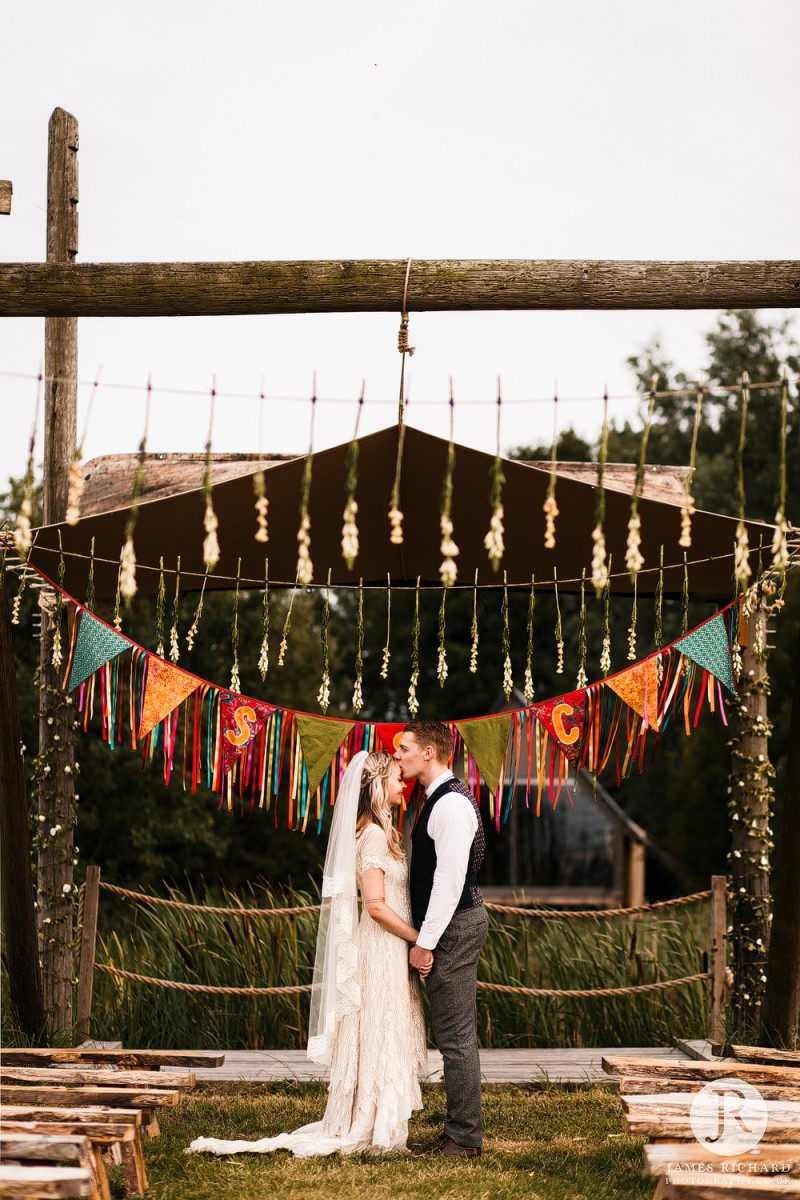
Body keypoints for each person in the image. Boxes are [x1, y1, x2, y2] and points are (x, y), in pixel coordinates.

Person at [187, 750, 428, 1158]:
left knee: (384, 1028)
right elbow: (375, 905)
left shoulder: (377, 831)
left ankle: (380, 1120)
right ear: (376, 788)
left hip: (389, 944)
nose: (403, 783)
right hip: (383, 944)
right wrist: (416, 936)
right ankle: (373, 1125)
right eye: (395, 778)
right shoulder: (370, 835)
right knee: (382, 1028)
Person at [394, 718, 488, 1159]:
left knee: (455, 1037)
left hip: (453, 926)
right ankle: (457, 1131)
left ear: (429, 752)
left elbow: (450, 881)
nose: (398, 755)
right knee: (453, 1035)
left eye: (405, 747)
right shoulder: (439, 799)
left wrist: (425, 942)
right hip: (449, 924)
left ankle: (464, 1138)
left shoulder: (450, 805)